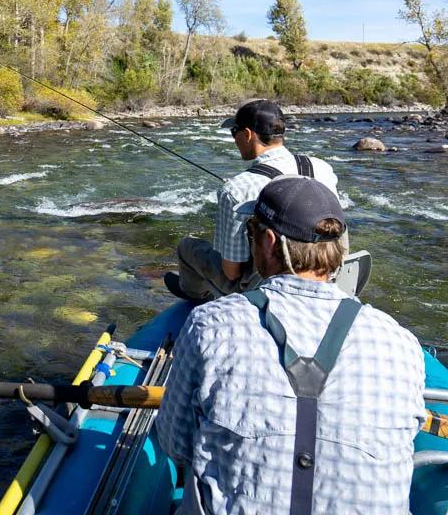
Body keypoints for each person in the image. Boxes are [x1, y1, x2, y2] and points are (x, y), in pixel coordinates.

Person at [155, 176, 426, 514]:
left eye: (250, 234)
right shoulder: (401, 342)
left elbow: (174, 444)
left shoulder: (211, 323)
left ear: (268, 241)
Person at [165, 100, 338, 301]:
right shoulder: (321, 167)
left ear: (247, 134)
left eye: (234, 132)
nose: (234, 139)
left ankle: (196, 296)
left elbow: (232, 272)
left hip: (264, 284)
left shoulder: (237, 188)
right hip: (322, 272)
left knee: (188, 247)